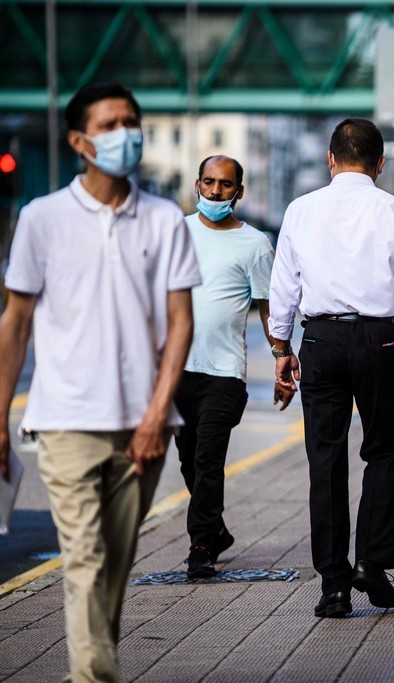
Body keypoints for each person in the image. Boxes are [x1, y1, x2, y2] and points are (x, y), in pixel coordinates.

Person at [0, 83, 201, 682]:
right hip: (65, 422)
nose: (126, 132)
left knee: (113, 565)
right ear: (80, 141)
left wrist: (155, 417)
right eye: (111, 123)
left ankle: (89, 670)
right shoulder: (42, 219)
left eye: (131, 121)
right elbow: (14, 324)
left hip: (144, 426)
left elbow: (180, 325)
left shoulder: (165, 218)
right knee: (83, 558)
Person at [268, 117, 394, 619]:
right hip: (380, 340)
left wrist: (282, 347)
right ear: (381, 163)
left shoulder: (300, 210)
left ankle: (334, 586)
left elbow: (284, 288)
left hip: (321, 339)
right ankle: (373, 565)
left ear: (330, 159)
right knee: (382, 451)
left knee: (326, 460)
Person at [176, 155, 294, 579]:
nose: (215, 192)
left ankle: (201, 545)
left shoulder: (255, 243)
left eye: (225, 185)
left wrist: (283, 354)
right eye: (208, 182)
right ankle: (217, 529)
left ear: (239, 192)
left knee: (208, 459)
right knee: (189, 459)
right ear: (197, 185)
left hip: (224, 372)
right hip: (175, 370)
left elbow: (268, 307)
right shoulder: (177, 233)